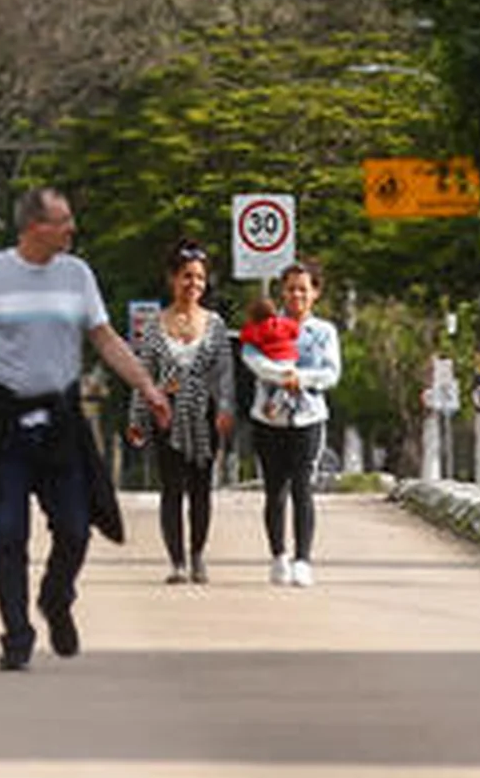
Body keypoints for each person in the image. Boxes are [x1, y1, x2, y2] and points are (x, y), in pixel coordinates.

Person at [0, 187, 172, 670]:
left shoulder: (77, 275)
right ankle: (16, 636)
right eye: (63, 221)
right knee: (7, 532)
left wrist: (146, 385)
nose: (71, 229)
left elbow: (104, 337)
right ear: (36, 228)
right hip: (5, 417)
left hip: (60, 415)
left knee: (76, 527)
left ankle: (56, 597)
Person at [130, 240, 234, 585]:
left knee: (201, 488)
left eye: (200, 278)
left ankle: (198, 556)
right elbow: (143, 375)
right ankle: (176, 561)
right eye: (187, 276)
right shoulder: (154, 325)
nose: (194, 284)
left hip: (204, 413)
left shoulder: (215, 324)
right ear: (172, 279)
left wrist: (225, 409)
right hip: (167, 414)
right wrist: (137, 419)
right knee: (172, 488)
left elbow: (224, 374)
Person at [240, 262, 343, 585]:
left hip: (308, 418)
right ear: (282, 292)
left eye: (303, 289)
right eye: (291, 289)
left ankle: (303, 559)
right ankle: (278, 556)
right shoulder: (265, 324)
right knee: (274, 490)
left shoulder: (324, 332)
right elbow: (251, 357)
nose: (297, 295)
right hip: (268, 418)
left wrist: (303, 379)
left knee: (303, 488)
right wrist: (282, 376)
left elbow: (331, 373)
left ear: (315, 293)